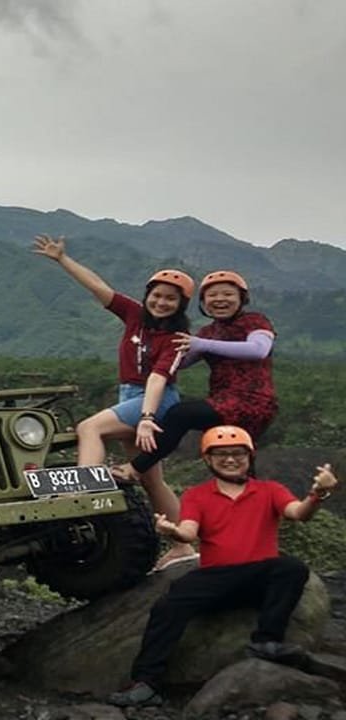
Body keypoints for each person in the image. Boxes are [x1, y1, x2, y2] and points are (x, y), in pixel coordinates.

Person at [108, 426, 335, 708]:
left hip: (257, 576)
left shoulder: (269, 490)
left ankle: (267, 641)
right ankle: (146, 683)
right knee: (168, 606)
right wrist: (171, 531)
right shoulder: (197, 495)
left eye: (237, 453)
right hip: (215, 578)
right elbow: (189, 532)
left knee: (291, 568)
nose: (230, 459)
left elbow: (298, 513)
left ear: (249, 457)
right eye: (221, 454)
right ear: (207, 459)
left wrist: (318, 494)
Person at [33, 234, 196, 568]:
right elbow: (97, 286)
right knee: (151, 479)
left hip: (157, 400)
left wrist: (147, 415)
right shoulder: (135, 315)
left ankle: (83, 489)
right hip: (131, 396)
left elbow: (157, 379)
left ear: (181, 305)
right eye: (157, 295)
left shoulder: (176, 339)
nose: (161, 303)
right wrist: (63, 260)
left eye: (170, 299)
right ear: (147, 295)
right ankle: (182, 545)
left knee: (89, 428)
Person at [115, 270, 277, 487]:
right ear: (203, 302)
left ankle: (135, 468)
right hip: (223, 401)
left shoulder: (254, 321)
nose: (219, 299)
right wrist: (150, 346)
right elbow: (178, 362)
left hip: (252, 401)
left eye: (227, 294)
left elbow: (258, 350)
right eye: (212, 295)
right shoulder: (208, 332)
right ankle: (251, 507)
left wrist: (202, 344)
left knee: (181, 414)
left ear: (241, 298)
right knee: (238, 464)